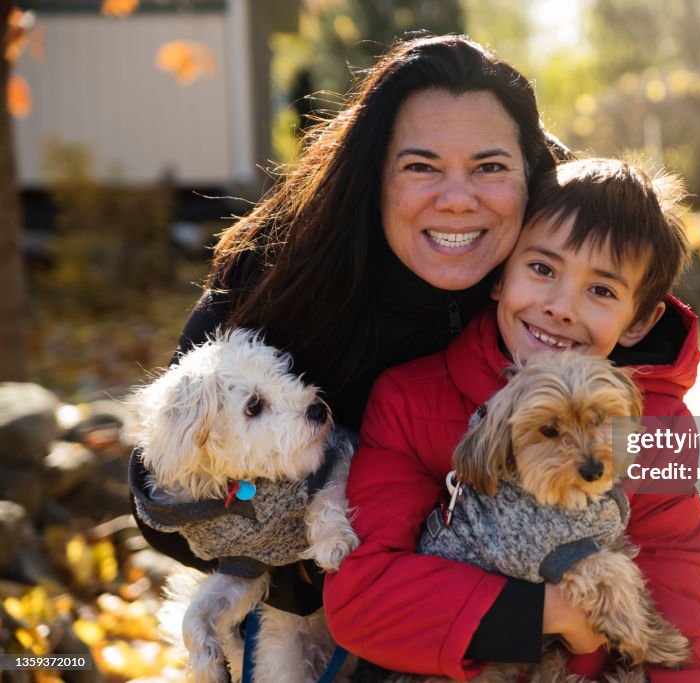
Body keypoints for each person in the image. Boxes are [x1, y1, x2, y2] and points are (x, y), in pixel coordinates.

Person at [130, 34, 564, 620]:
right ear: (374, 176)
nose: (458, 199)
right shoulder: (284, 271)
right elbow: (163, 498)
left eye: (490, 167)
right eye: (421, 166)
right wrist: (302, 575)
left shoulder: (567, 283)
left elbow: (664, 482)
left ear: (530, 177)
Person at [327, 158, 700, 682]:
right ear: (499, 275)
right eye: (542, 269)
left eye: (601, 290)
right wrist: (553, 612)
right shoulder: (410, 399)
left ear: (641, 320)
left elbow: (680, 582)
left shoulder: (658, 426)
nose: (562, 307)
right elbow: (363, 601)